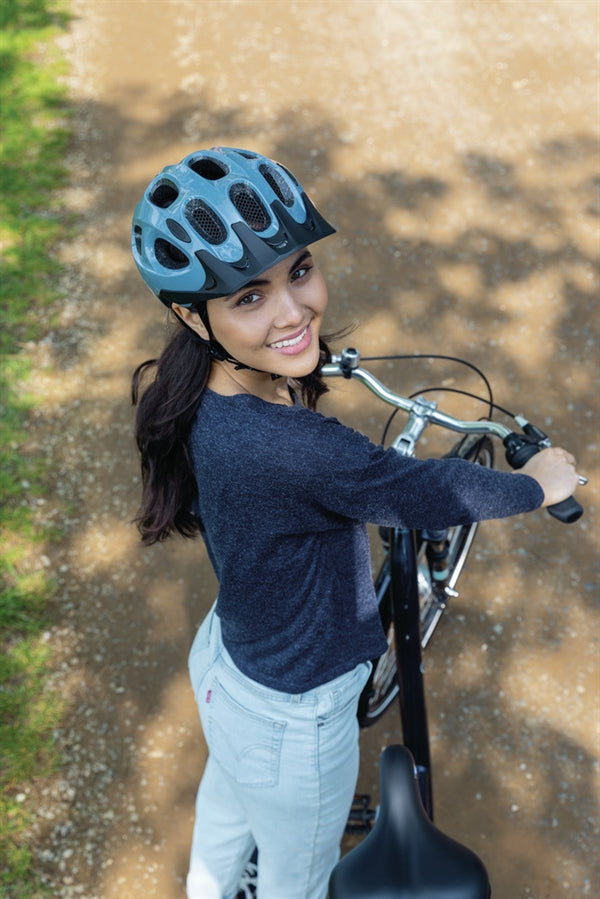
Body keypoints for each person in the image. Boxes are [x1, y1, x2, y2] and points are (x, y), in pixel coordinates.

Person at [130, 147, 579, 899]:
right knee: (298, 880)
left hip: (228, 666)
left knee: (228, 812)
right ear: (191, 313)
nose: (293, 311)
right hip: (293, 718)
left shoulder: (194, 383)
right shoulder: (303, 451)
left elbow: (281, 364)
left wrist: (281, 357)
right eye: (249, 298)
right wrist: (537, 484)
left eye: (298, 271)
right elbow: (428, 491)